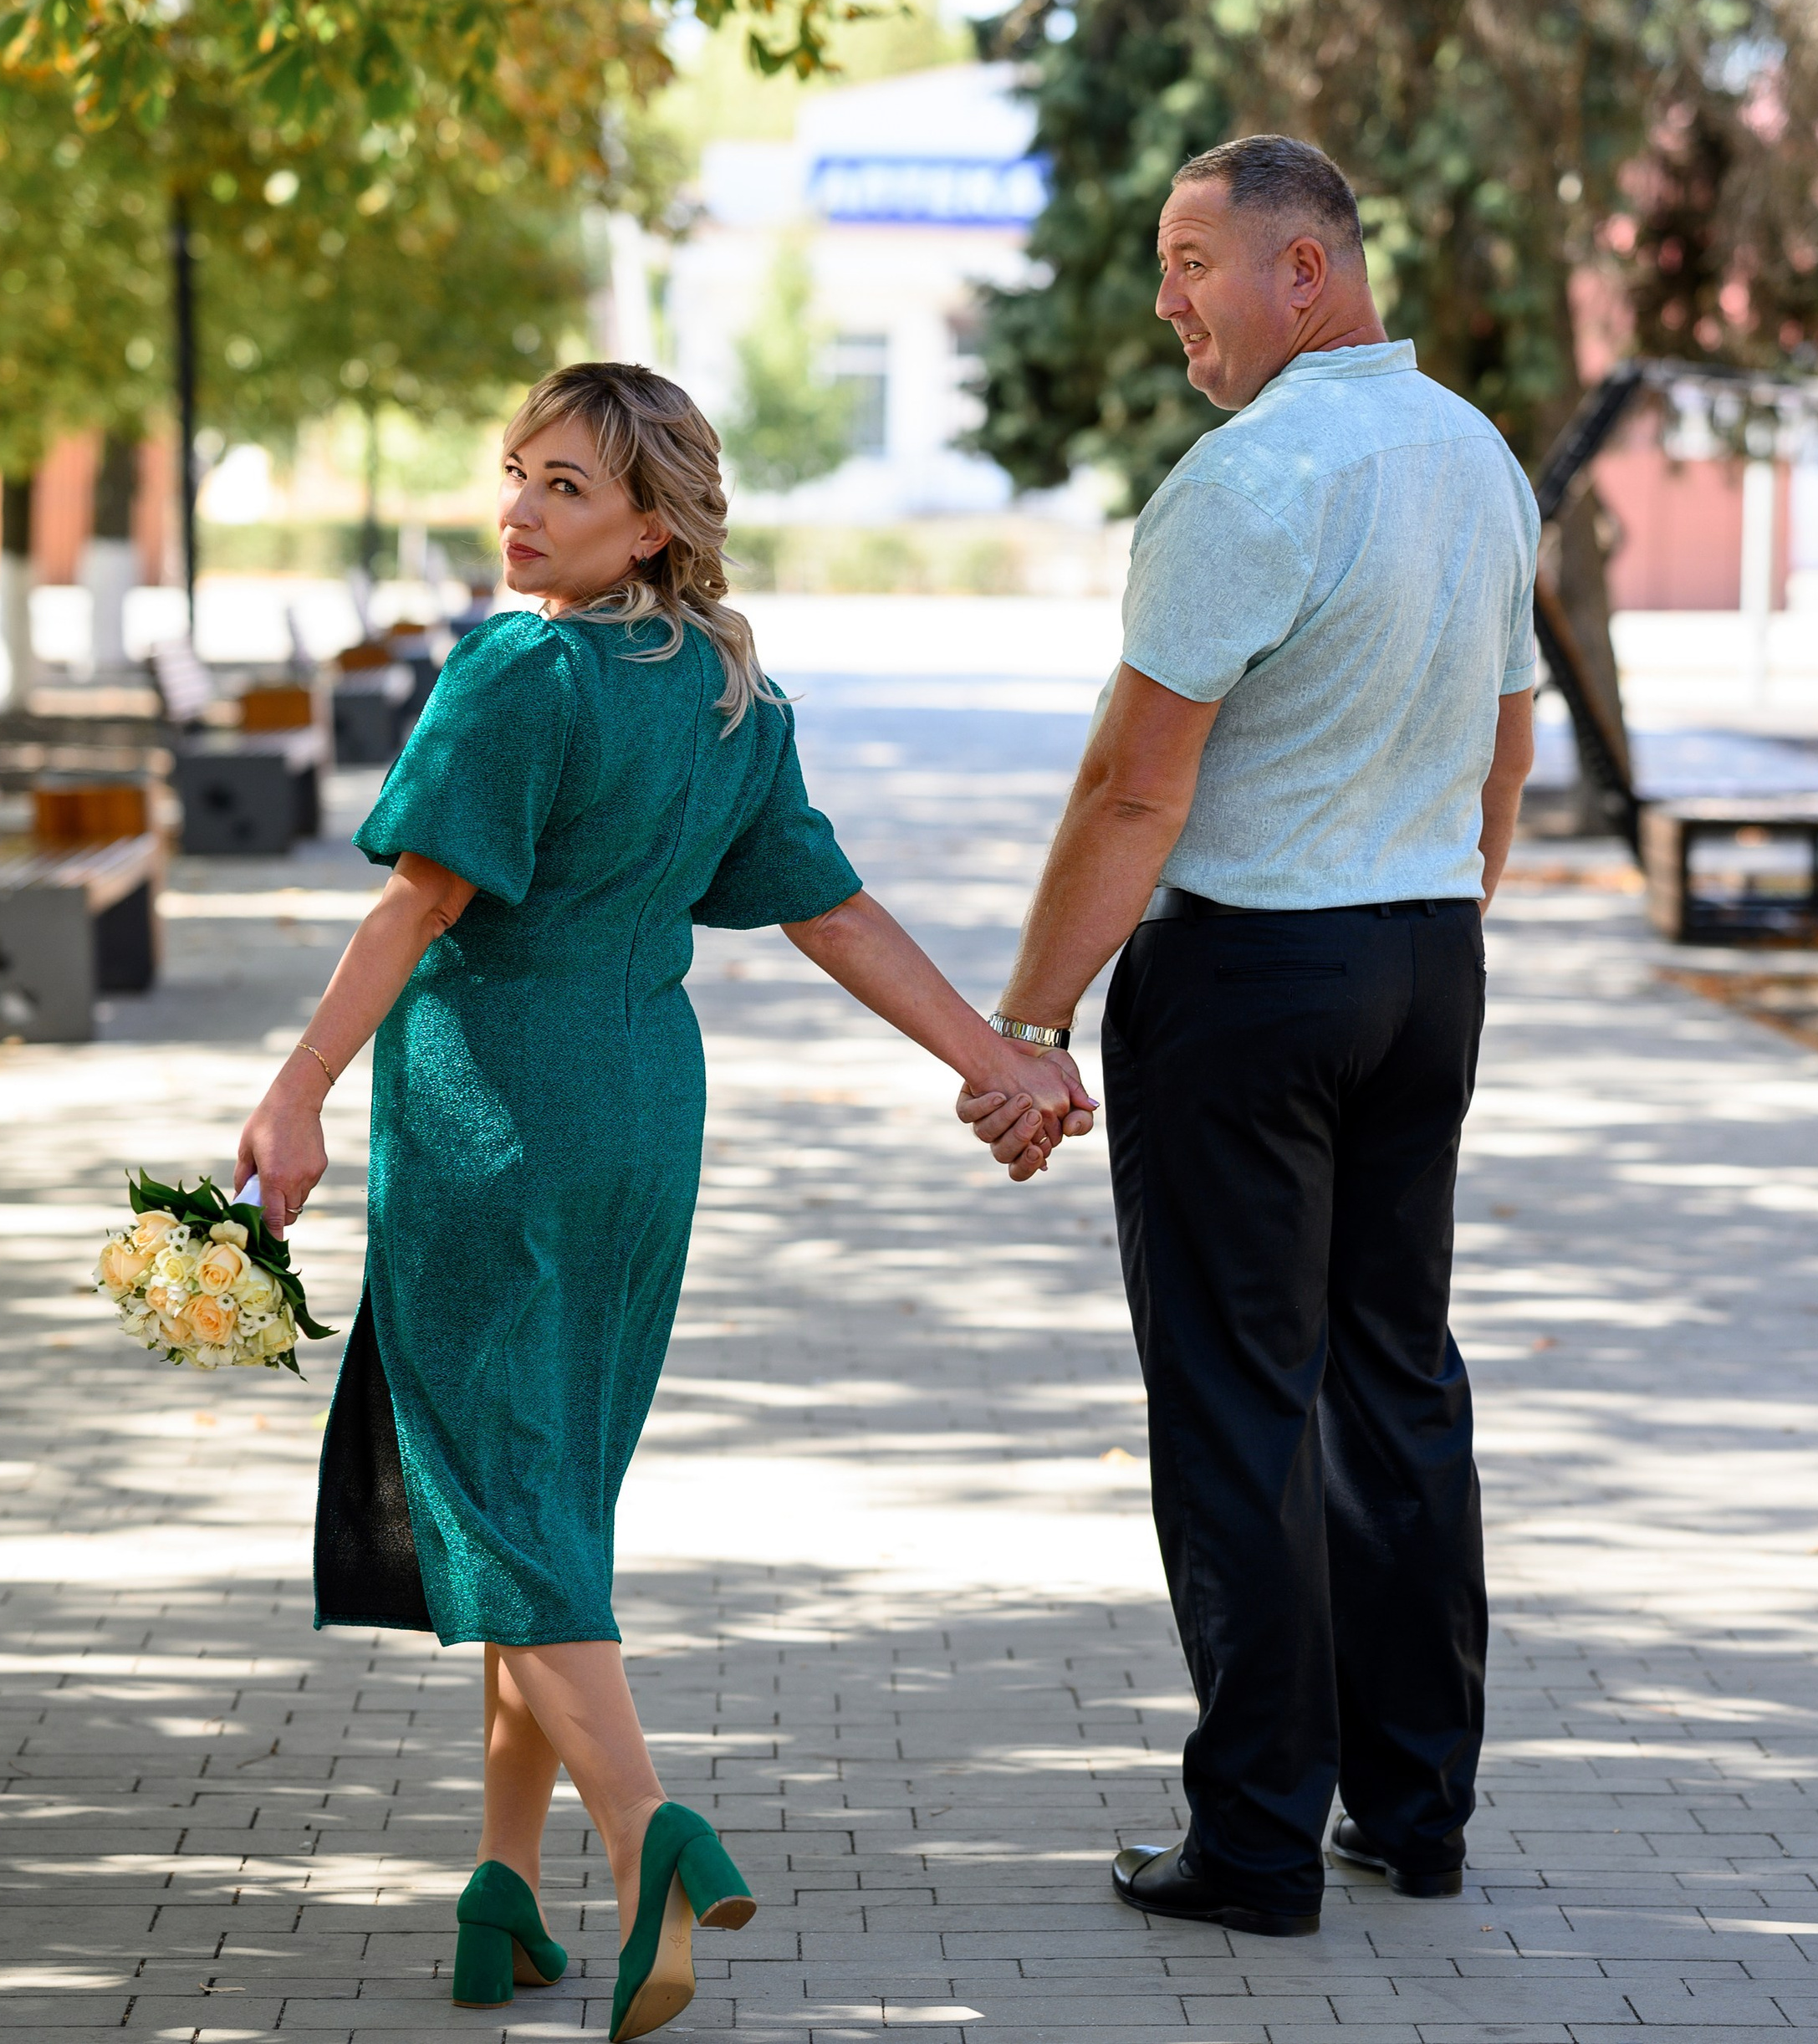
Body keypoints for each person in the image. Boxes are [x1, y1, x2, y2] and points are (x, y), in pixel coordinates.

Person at [233, 363, 1089, 2042]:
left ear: (651, 524)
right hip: (638, 1106)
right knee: (547, 1486)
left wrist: (296, 1087)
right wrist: (988, 1055)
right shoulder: (721, 693)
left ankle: (648, 1836)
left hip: (490, 1108)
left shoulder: (519, 669)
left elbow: (415, 911)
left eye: (566, 486)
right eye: (517, 475)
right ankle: (499, 1887)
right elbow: (830, 913)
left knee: (491, 1491)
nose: (522, 510)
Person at [959, 136, 1538, 1936]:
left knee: (1236, 1403)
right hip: (1424, 956)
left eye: (1190, 259)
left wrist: (1033, 1019)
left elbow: (1137, 787)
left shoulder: (1250, 473)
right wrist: (1426, 909)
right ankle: (1417, 1808)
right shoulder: (1477, 458)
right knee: (1395, 1379)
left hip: (1252, 979)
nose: (1164, 301)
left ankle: (1259, 1838)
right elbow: (1505, 744)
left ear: (1305, 272)